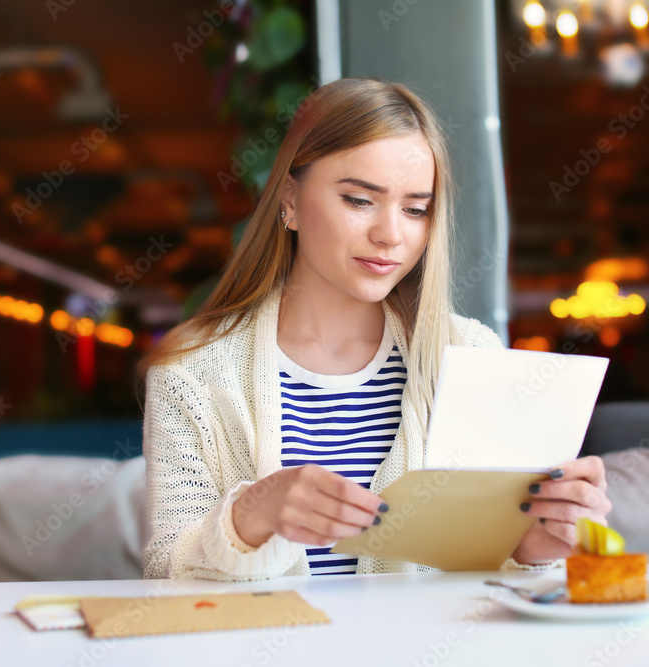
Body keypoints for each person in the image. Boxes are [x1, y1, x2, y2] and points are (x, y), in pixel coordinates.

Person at [140, 77, 611, 581]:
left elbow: (488, 580)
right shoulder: (193, 371)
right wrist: (252, 513)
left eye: (415, 209)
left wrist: (532, 549)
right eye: (359, 200)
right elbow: (166, 569)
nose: (390, 235)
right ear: (291, 200)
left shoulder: (469, 353)